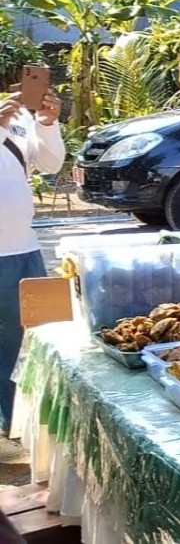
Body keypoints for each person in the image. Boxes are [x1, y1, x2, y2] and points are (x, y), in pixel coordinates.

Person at [0, 85, 63, 435]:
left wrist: (48, 124)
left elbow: (51, 164)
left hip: (25, 250)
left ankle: (21, 425)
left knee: (32, 341)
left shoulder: (19, 115)